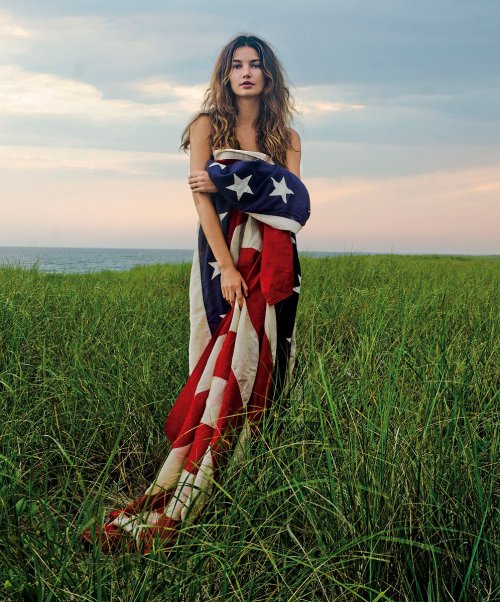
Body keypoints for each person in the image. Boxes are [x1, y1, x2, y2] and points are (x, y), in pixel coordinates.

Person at [82, 33, 310, 554]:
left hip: (274, 254)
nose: (247, 73)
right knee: (223, 349)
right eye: (237, 65)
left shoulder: (288, 138)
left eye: (256, 65)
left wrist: (229, 184)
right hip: (222, 252)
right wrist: (227, 267)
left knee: (267, 358)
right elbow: (201, 202)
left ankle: (249, 463)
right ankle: (203, 460)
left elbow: (292, 207)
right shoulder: (207, 126)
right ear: (225, 74)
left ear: (269, 76)